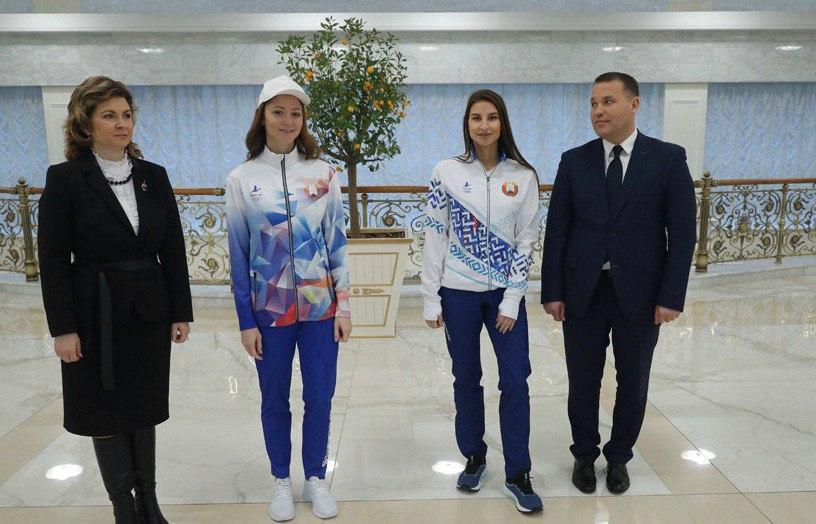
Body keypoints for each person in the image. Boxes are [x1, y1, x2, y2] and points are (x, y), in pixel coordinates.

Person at [38, 76, 193, 523]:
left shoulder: (153, 176)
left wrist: (180, 311)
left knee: (143, 405)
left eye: (126, 115)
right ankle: (123, 506)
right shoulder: (65, 179)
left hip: (148, 309)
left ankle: (149, 501)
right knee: (103, 409)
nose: (122, 123)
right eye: (109, 115)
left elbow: (173, 249)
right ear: (85, 125)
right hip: (93, 310)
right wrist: (63, 328)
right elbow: (52, 260)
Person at [541, 72, 696, 494]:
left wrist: (671, 296)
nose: (598, 111)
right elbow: (557, 230)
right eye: (593, 103)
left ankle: (619, 457)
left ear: (634, 104)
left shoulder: (667, 159)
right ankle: (584, 454)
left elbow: (683, 234)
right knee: (582, 380)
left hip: (642, 295)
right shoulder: (574, 161)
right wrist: (552, 290)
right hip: (583, 292)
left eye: (607, 101)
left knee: (634, 380)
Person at [225, 75, 352, 521]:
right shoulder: (241, 179)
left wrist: (343, 306)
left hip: (320, 308)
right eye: (278, 112)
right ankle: (281, 478)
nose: (287, 120)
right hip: (269, 311)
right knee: (274, 398)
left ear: (304, 119)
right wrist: (246, 321)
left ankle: (315, 476)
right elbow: (237, 255)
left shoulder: (323, 174)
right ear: (262, 116)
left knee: (320, 396)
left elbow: (337, 244)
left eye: (295, 113)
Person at [421, 89, 542, 513]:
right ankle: (474, 456)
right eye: (476, 118)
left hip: (504, 298)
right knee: (466, 378)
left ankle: (518, 472)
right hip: (457, 295)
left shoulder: (523, 176)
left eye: (492, 117)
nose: (484, 125)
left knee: (516, 381)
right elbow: (435, 233)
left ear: (502, 123)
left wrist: (512, 300)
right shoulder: (446, 172)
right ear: (467, 124)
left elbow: (527, 240)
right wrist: (431, 296)